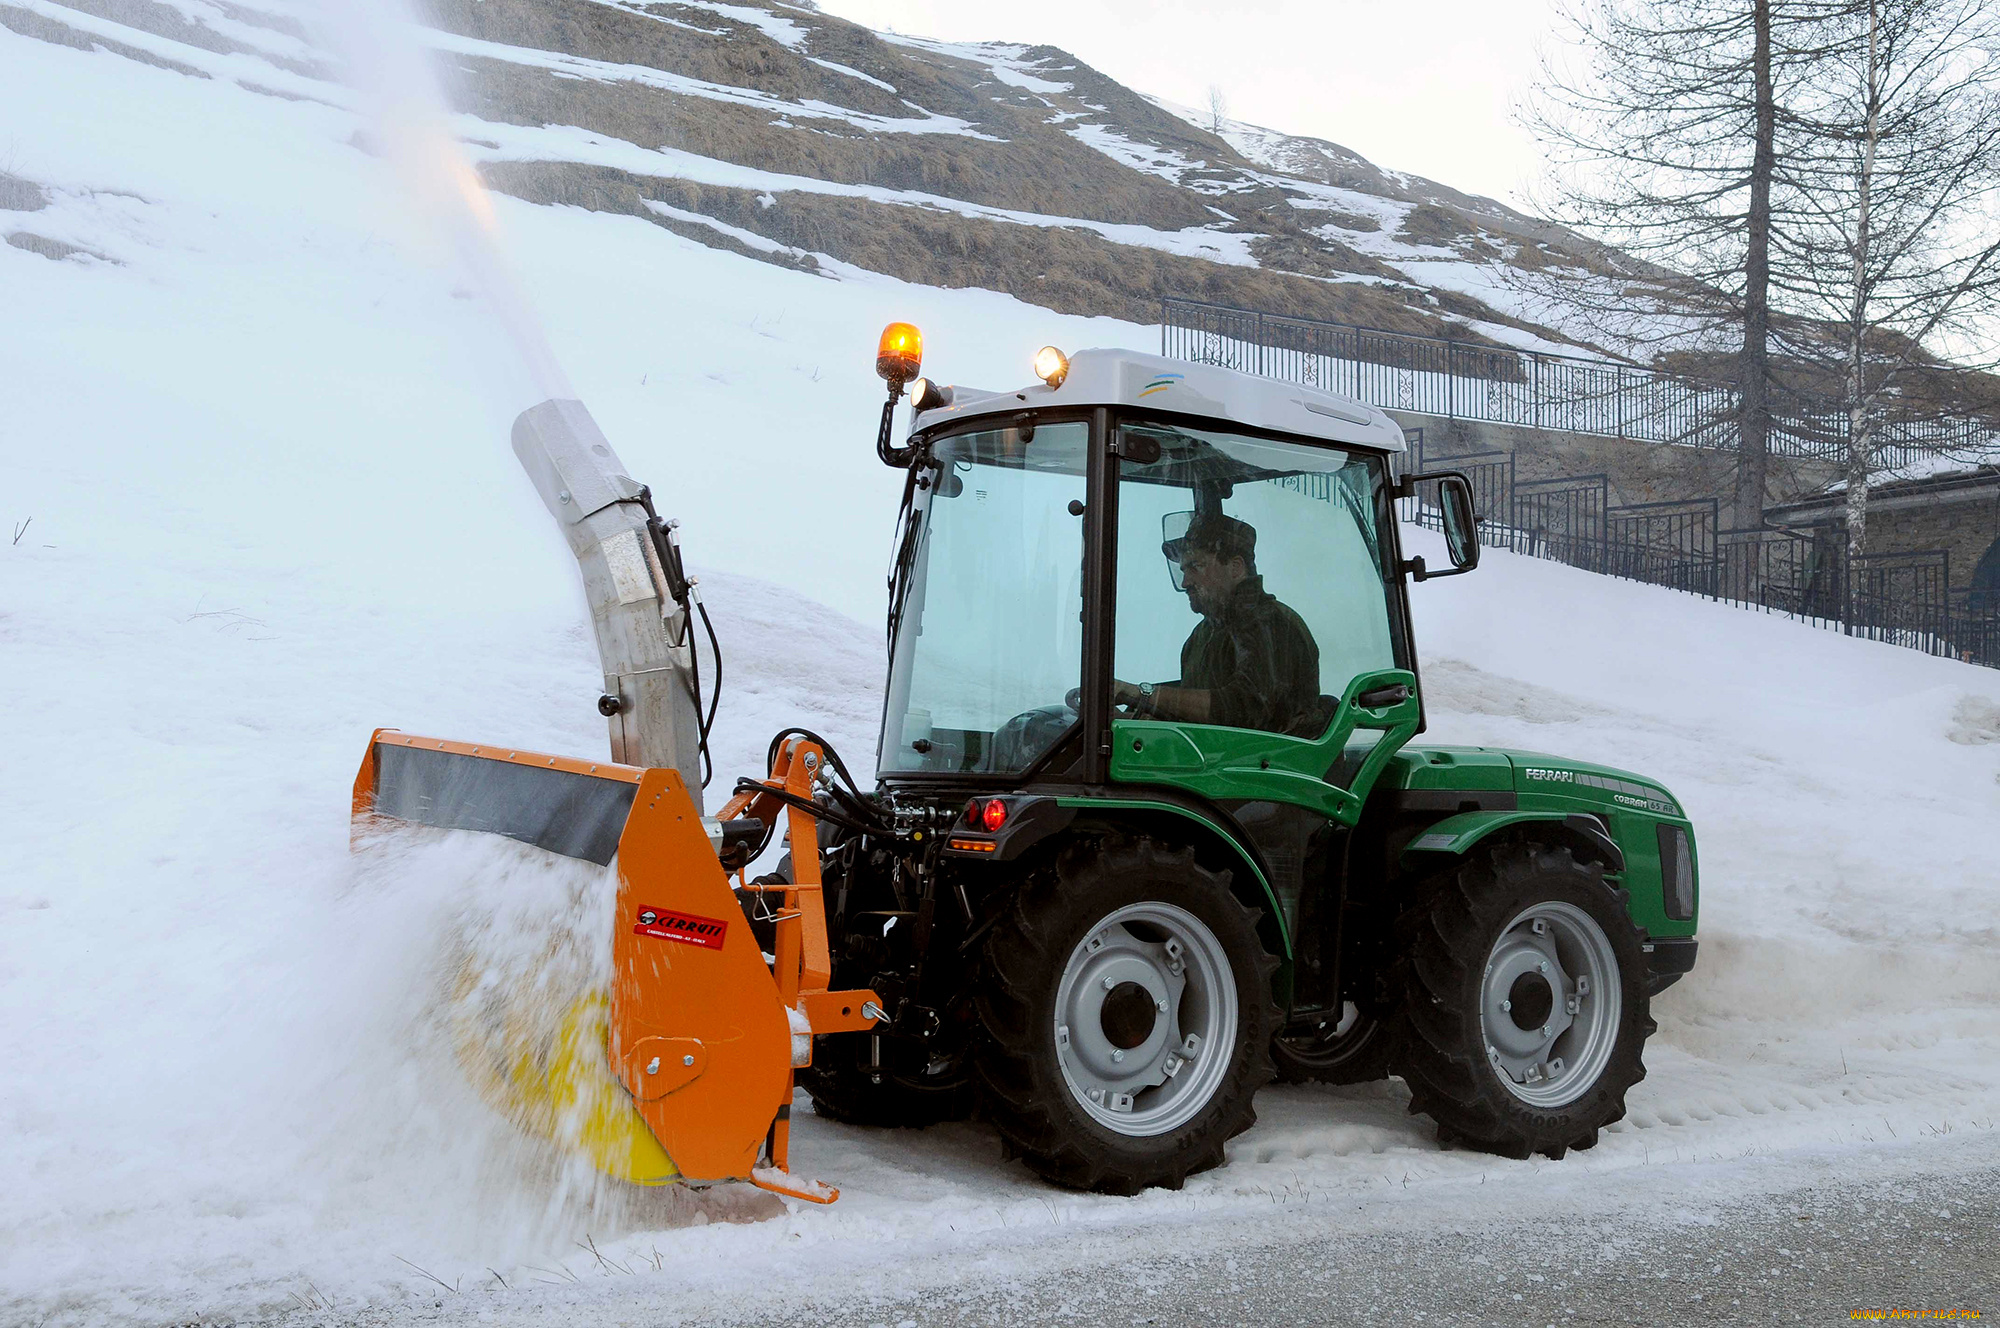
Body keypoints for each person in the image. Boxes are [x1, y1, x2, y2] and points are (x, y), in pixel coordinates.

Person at [1113, 514, 1324, 736]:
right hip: (1214, 763)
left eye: (1196, 566)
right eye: (1183, 570)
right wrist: (1127, 719)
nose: (1185, 582)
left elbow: (1243, 712)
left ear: (1235, 567)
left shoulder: (1272, 624)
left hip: (1262, 766)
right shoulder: (1202, 635)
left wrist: (1142, 694)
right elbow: (1196, 722)